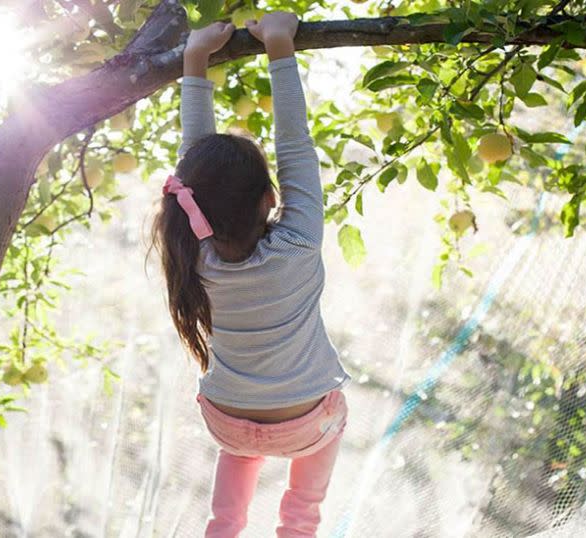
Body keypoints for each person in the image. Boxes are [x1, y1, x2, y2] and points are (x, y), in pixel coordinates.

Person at [150, 11, 351, 538]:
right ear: (270, 199)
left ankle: (224, 528)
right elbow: (296, 145)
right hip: (305, 425)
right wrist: (281, 46)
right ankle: (298, 529)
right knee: (331, 419)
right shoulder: (298, 242)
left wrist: (194, 58)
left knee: (243, 448)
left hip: (225, 420)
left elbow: (199, 162)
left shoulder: (193, 255)